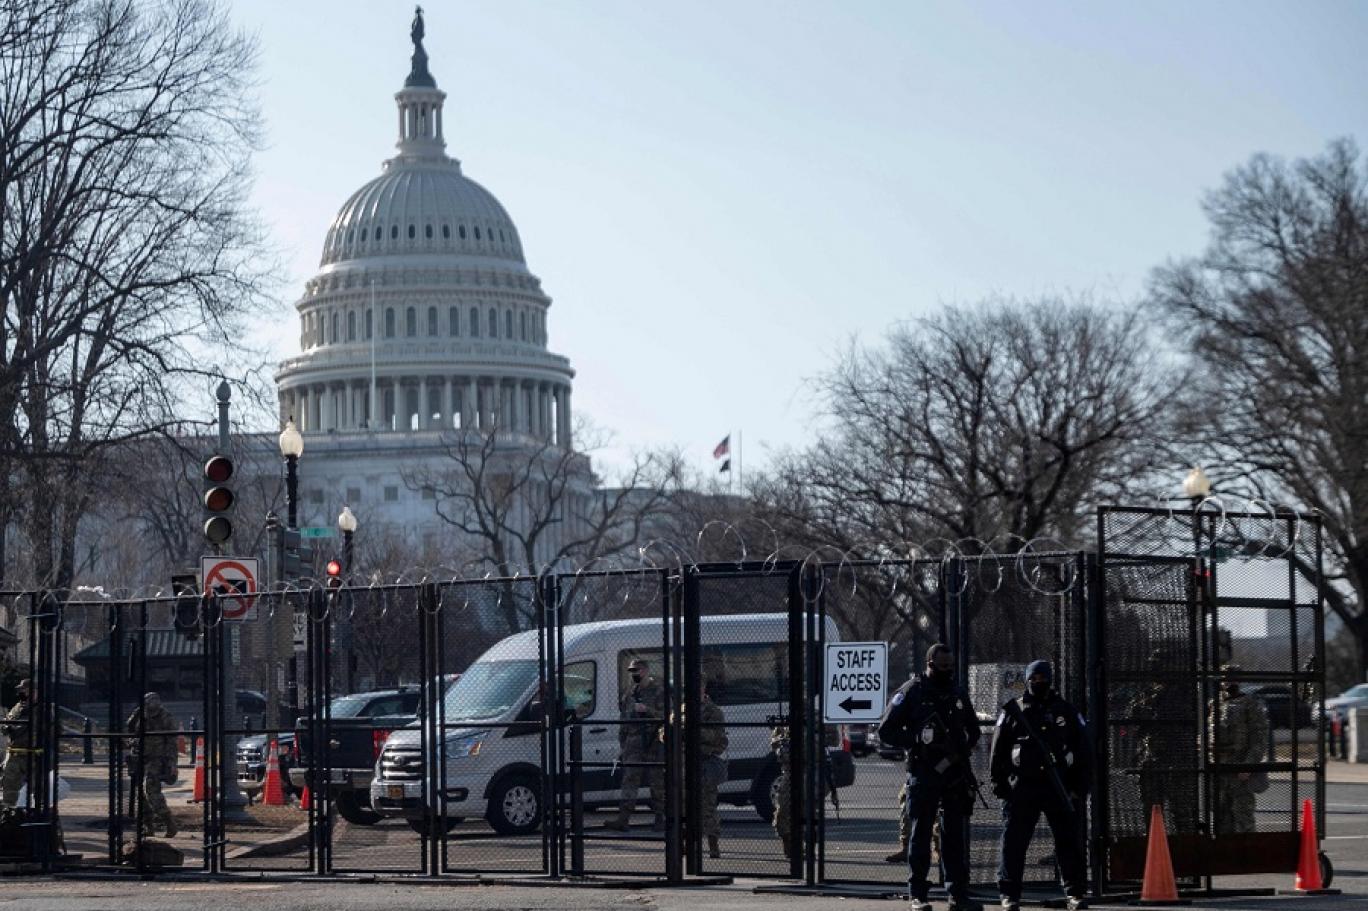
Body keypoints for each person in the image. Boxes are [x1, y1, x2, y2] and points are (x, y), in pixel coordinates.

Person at [877, 643, 983, 911]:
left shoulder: (957, 692)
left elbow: (973, 729)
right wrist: (915, 740)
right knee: (921, 834)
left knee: (953, 836)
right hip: (924, 771)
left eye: (950, 667)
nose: (946, 671)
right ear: (929, 664)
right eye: (941, 666)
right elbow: (886, 730)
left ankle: (957, 895)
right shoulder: (913, 691)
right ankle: (918, 895)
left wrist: (961, 751)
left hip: (953, 773)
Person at [990, 660, 1091, 911]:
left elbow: (1084, 751)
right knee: (1014, 843)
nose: (1038, 683)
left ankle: (1075, 892)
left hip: (1059, 786)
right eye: (1033, 679)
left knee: (1068, 841)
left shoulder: (1065, 711)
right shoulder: (1015, 711)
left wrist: (1080, 787)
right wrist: (999, 783)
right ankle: (1009, 894)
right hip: (1023, 787)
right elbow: (998, 749)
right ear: (1027, 680)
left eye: (1042, 678)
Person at [1130, 648, 1197, 837]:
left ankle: (1186, 852)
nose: (1155, 668)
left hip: (1177, 760)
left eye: (1159, 664)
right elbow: (1134, 717)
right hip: (1151, 760)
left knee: (1183, 813)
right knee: (1151, 812)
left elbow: (1174, 716)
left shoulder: (1182, 691)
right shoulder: (1148, 693)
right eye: (1153, 664)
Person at [664, 677, 728, 858]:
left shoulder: (713, 711)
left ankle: (713, 845)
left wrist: (693, 730)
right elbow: (665, 733)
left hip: (703, 762)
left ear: (703, 688)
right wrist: (672, 732)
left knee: (707, 805)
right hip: (683, 764)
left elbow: (718, 737)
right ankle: (685, 845)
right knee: (682, 806)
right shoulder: (681, 709)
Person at [605, 657, 664, 831]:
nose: (633, 675)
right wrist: (623, 745)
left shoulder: (658, 691)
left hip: (653, 741)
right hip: (633, 742)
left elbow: (666, 716)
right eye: (631, 671)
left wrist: (648, 710)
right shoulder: (630, 693)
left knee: (657, 781)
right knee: (629, 780)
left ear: (645, 671)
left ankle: (660, 817)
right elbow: (623, 720)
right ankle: (623, 819)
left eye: (635, 671)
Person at [1210, 668, 1269, 835]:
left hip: (1239, 770)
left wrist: (1248, 765)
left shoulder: (1250, 703)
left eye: (1232, 679)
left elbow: (1259, 737)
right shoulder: (1215, 705)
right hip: (1218, 769)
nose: (1228, 683)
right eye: (1224, 679)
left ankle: (1247, 856)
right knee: (1221, 818)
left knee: (1242, 818)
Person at [125, 692, 179, 838]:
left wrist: (172, 763)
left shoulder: (165, 716)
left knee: (151, 789)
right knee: (140, 794)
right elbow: (130, 730)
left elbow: (172, 741)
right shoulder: (139, 715)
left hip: (156, 758)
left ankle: (168, 822)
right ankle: (148, 826)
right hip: (139, 757)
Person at [0, 679, 35, 807]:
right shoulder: (17, 707)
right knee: (9, 786)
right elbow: (7, 723)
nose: (21, 692)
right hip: (15, 753)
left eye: (24, 689)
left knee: (37, 789)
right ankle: (9, 814)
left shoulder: (42, 708)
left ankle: (34, 814)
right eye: (20, 690)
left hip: (34, 754)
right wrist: (6, 727)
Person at [770, 722, 793, 858]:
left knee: (806, 811)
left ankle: (807, 848)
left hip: (809, 770)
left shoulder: (815, 718)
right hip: (789, 773)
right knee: (782, 810)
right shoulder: (784, 723)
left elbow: (833, 739)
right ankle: (788, 847)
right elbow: (773, 744)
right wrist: (781, 741)